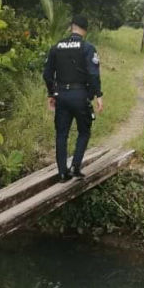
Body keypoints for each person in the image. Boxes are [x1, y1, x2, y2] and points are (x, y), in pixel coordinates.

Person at [43, 15, 103, 182]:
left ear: (71, 27)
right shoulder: (87, 47)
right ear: (85, 30)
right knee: (84, 131)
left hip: (61, 95)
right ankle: (76, 166)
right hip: (80, 95)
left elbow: (47, 74)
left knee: (61, 134)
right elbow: (93, 74)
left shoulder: (56, 47)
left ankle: (62, 173)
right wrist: (98, 94)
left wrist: (51, 93)